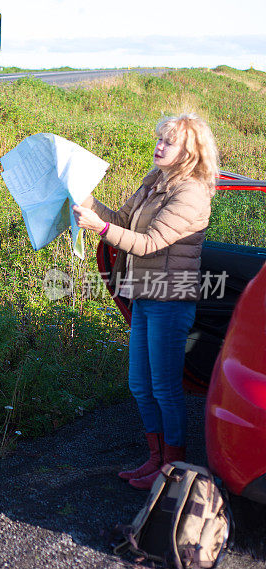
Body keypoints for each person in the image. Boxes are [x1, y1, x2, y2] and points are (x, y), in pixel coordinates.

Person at [71, 113, 219, 490]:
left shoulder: (192, 193)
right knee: (140, 384)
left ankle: (173, 467)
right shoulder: (155, 181)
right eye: (158, 138)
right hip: (144, 295)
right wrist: (87, 200)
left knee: (165, 388)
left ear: (189, 152)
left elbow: (149, 242)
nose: (159, 146)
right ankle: (155, 459)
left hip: (170, 300)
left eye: (168, 142)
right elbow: (121, 219)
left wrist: (99, 228)